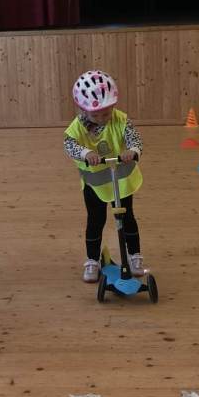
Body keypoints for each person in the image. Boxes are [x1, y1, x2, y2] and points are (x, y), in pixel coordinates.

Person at [63, 70, 145, 283]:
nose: (101, 119)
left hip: (121, 182)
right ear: (83, 109)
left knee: (127, 218)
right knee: (95, 220)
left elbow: (135, 139)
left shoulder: (121, 120)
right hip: (95, 184)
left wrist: (132, 150)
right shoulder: (78, 126)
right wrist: (85, 153)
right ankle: (92, 260)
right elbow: (69, 144)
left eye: (106, 114)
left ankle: (134, 255)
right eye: (95, 116)